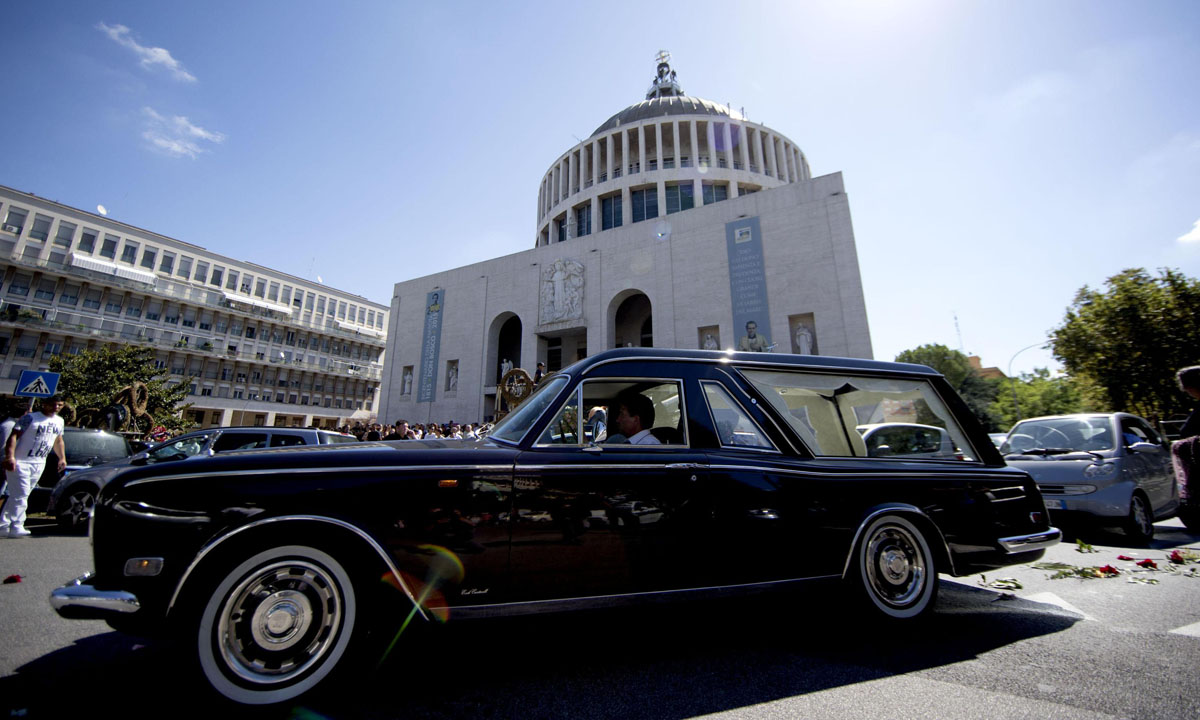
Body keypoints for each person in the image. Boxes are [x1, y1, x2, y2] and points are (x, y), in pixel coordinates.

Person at [0, 396, 66, 538]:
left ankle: (3, 524)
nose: (56, 408)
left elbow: (58, 441)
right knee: (21, 494)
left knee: (18, 494)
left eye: (60, 405)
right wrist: (10, 457)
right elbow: (13, 436)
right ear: (44, 404)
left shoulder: (59, 421)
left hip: (39, 462)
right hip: (21, 461)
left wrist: (62, 458)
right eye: (53, 405)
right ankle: (17, 525)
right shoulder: (30, 418)